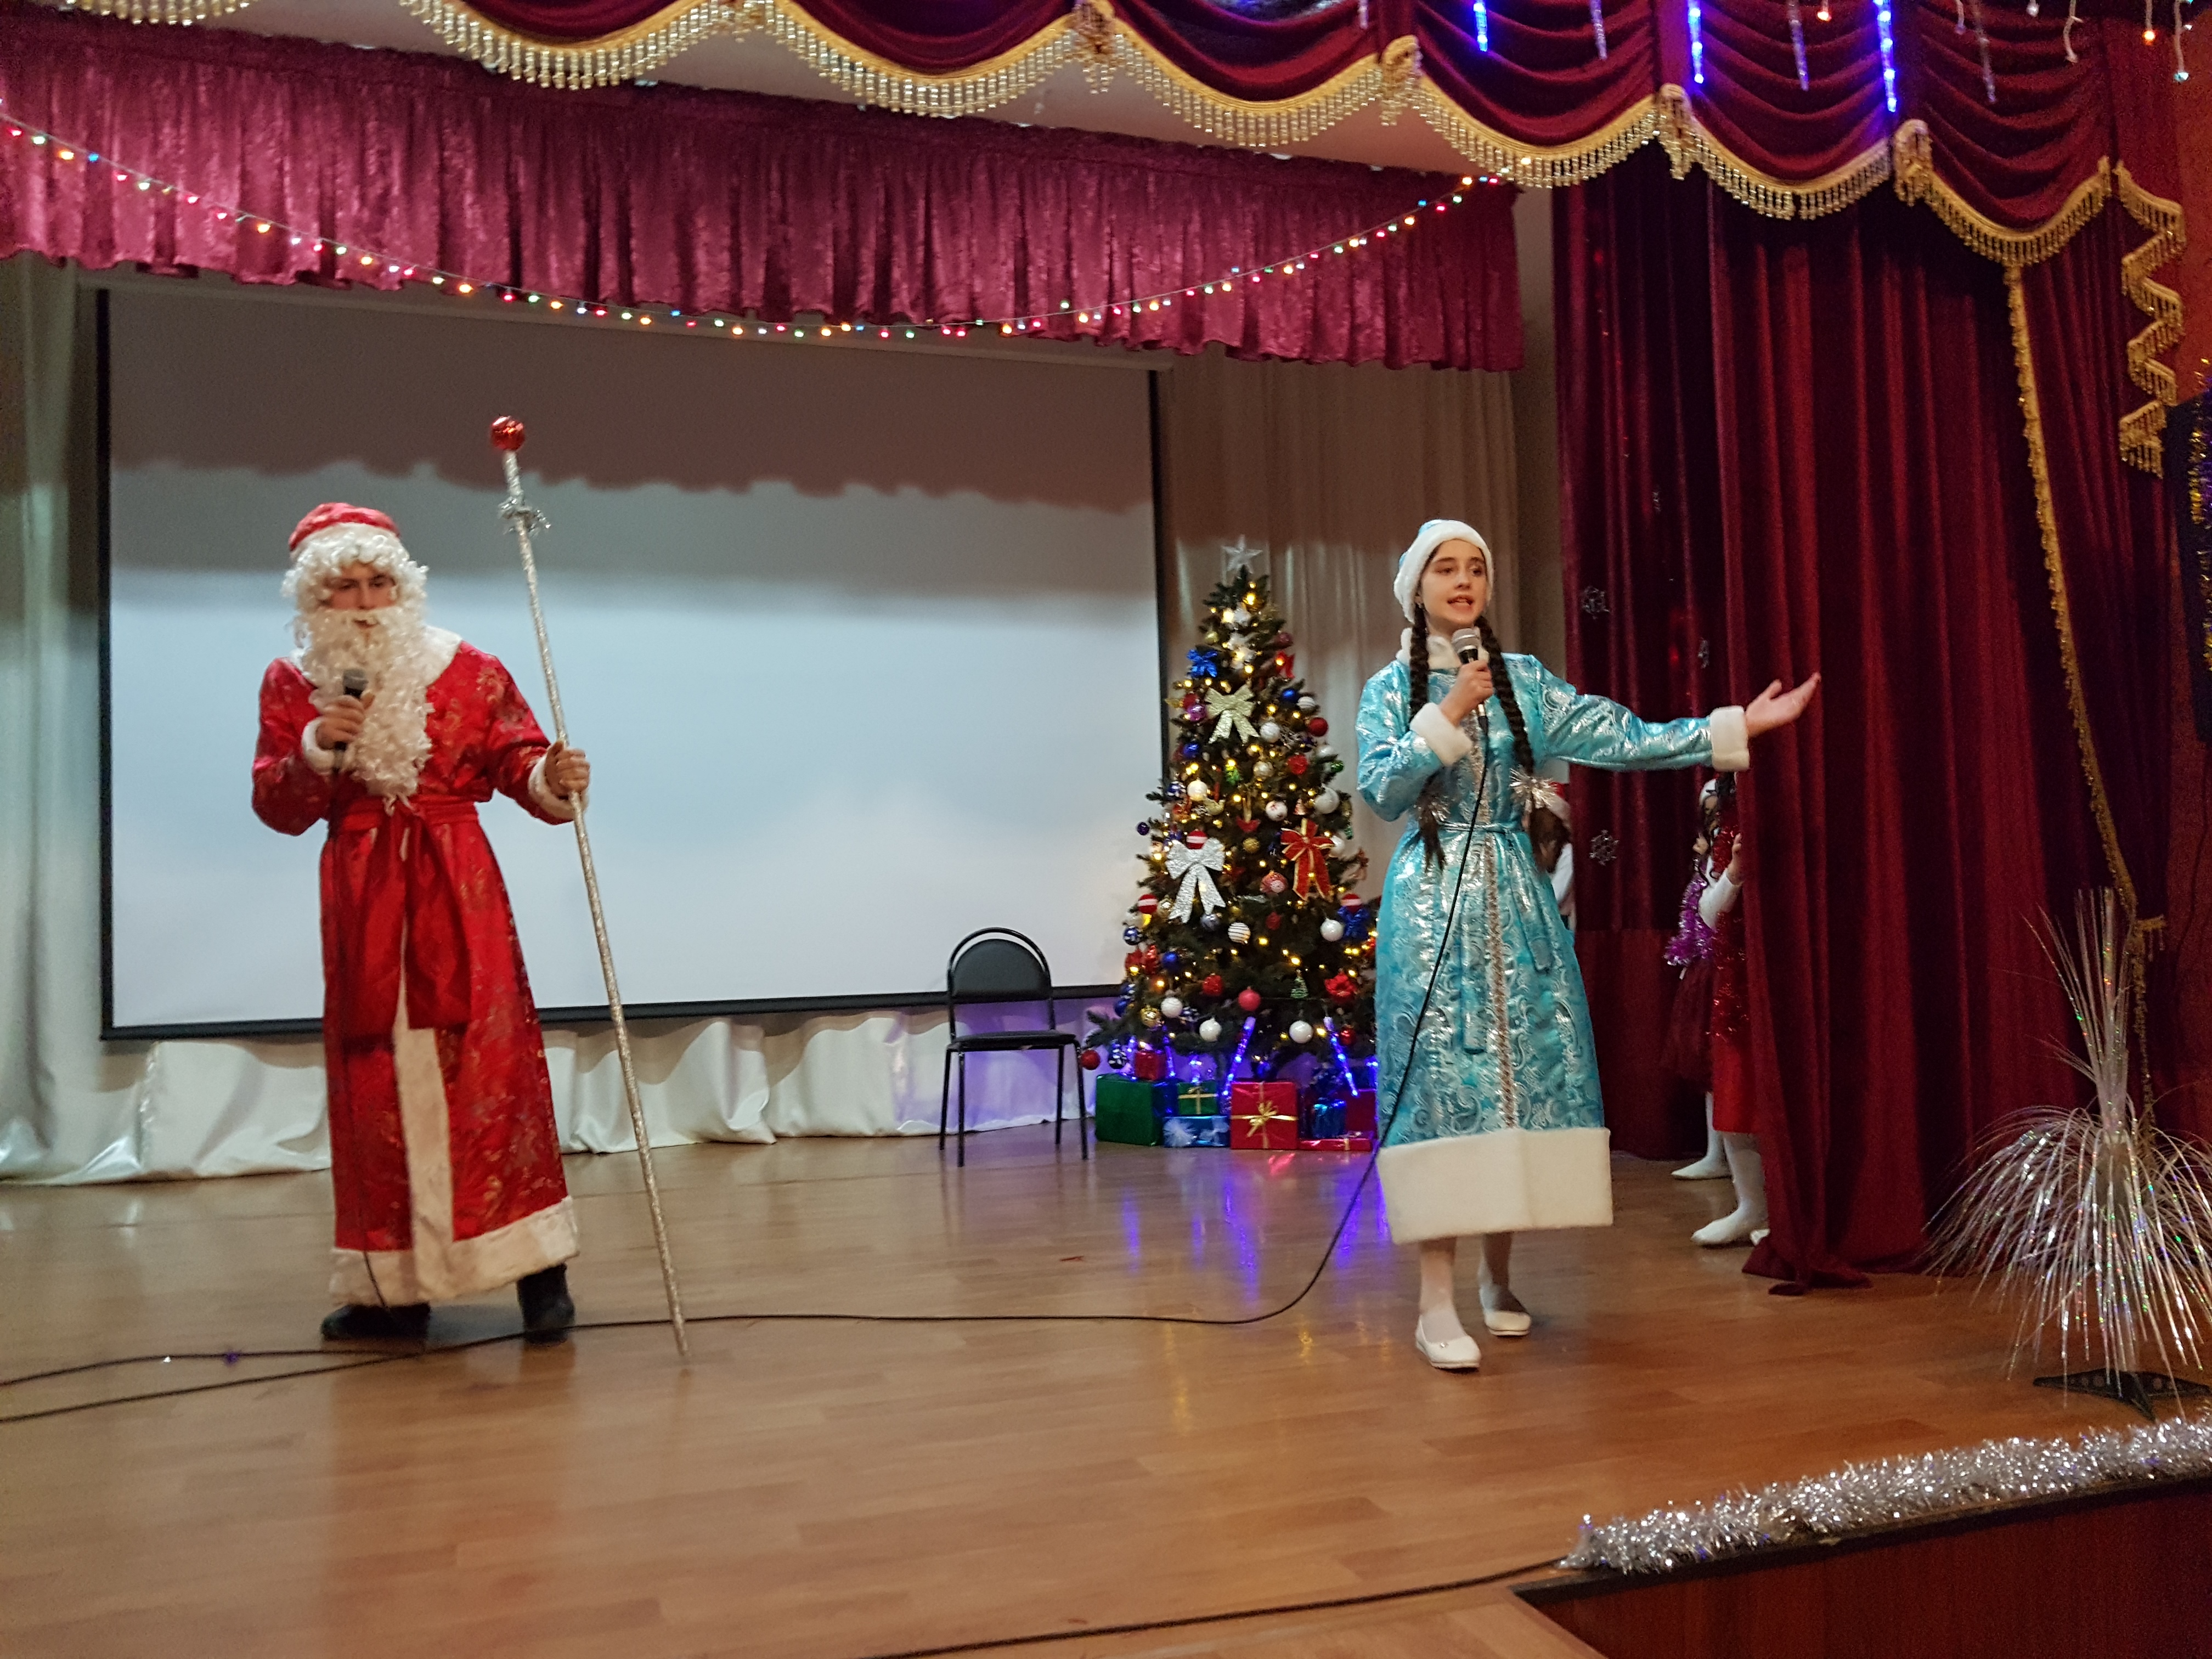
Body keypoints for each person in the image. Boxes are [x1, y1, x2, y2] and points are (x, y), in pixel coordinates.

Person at [1356, 520, 1817, 1371]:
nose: (1463, 581)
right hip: (1433, 903)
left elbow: (1622, 736)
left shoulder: (1523, 679)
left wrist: (1733, 728)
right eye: (1446, 569)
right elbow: (1382, 788)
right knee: (1445, 1089)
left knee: (1513, 1084)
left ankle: (1499, 1280)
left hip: (1515, 898)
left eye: (1476, 568)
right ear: (1416, 588)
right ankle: (1433, 1304)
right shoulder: (1389, 688)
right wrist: (1447, 714)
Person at [252, 503, 587, 1343]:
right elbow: (279, 807)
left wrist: (550, 776)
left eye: (379, 582)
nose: (365, 602)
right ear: (314, 599)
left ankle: (539, 1276)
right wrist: (314, 750)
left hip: (457, 889)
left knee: (491, 1072)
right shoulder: (292, 682)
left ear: (404, 588)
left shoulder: (469, 668)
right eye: (343, 587)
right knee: (374, 1086)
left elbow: (516, 759)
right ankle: (393, 1293)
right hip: (363, 892)